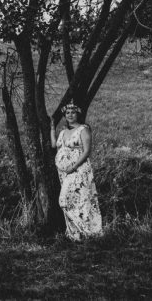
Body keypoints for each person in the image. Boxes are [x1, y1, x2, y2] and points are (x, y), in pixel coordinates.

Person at [51, 101, 102, 240]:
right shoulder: (63, 131)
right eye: (67, 113)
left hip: (79, 169)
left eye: (73, 112)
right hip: (64, 173)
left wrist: (73, 167)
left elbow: (86, 151)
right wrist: (52, 128)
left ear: (78, 114)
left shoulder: (83, 129)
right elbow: (54, 145)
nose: (70, 115)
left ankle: (89, 232)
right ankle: (76, 235)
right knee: (72, 201)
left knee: (74, 200)